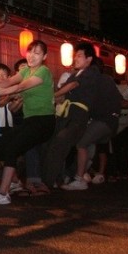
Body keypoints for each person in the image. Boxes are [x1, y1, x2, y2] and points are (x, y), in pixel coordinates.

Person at [0, 40, 55, 205]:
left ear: (44, 56)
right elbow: (8, 82)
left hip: (44, 122)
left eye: (37, 53)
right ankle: (13, 182)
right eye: (30, 51)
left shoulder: (43, 71)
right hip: (30, 122)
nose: (31, 56)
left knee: (13, 148)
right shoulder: (27, 70)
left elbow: (20, 87)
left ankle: (3, 193)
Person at [42, 42, 100, 188]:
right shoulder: (74, 74)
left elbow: (71, 87)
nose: (76, 59)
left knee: (61, 142)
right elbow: (63, 95)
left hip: (78, 116)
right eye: (76, 56)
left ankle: (49, 182)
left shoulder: (91, 71)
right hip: (65, 115)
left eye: (79, 56)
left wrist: (53, 95)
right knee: (51, 143)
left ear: (89, 59)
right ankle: (49, 180)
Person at [61, 57, 122, 190]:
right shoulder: (106, 79)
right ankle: (81, 174)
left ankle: (79, 179)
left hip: (104, 120)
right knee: (88, 146)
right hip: (109, 121)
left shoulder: (95, 80)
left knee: (81, 143)